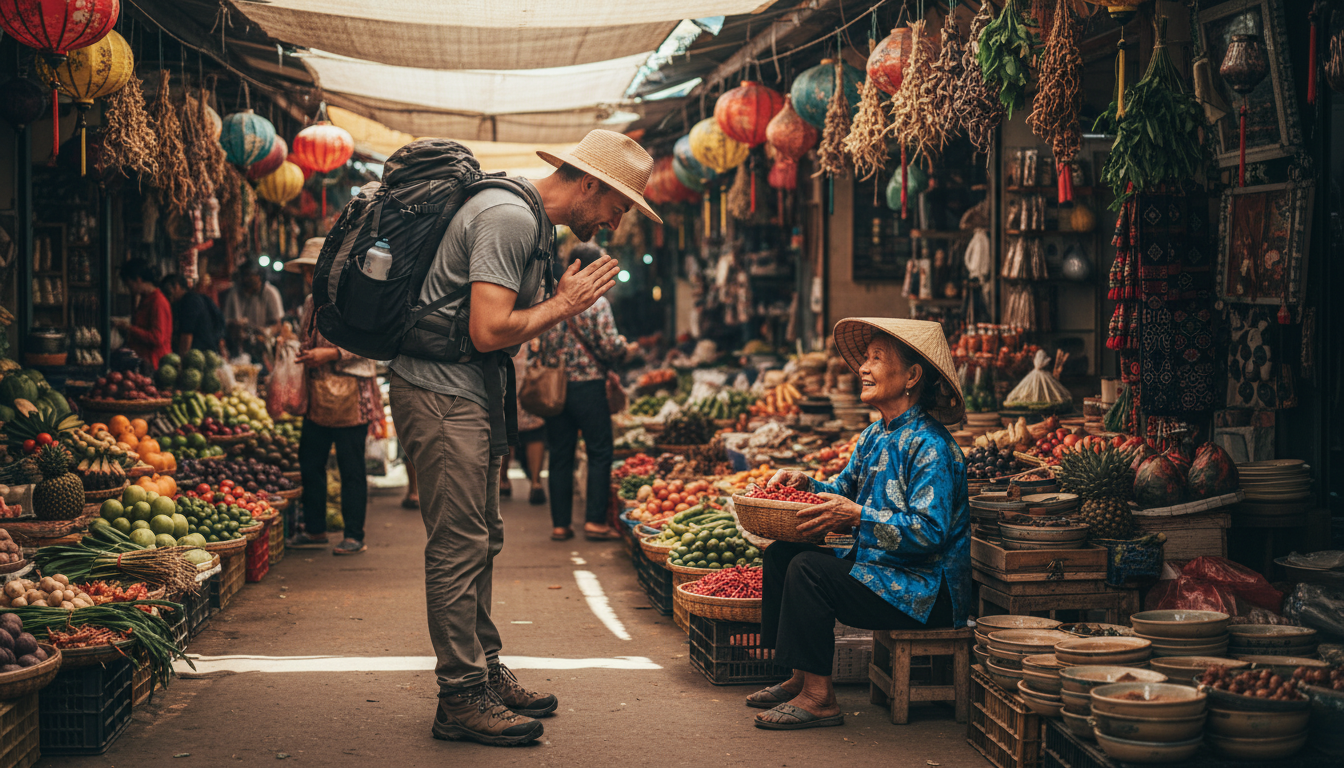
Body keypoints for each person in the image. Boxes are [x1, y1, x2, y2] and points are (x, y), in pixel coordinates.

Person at [387, 130, 659, 747]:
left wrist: (556, 303)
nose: (617, 224)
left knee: (483, 536)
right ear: (591, 183)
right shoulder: (510, 216)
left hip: (471, 392)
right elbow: (488, 330)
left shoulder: (533, 223)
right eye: (619, 206)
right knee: (459, 544)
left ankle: (481, 669)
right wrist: (565, 305)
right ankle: (460, 696)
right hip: (442, 392)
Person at [748, 318, 970, 731]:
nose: (863, 369)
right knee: (784, 554)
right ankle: (799, 677)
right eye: (864, 359)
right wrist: (806, 483)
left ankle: (820, 699)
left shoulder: (931, 446)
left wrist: (858, 517)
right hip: (881, 570)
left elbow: (930, 532)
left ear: (912, 376)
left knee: (809, 570)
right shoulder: (874, 435)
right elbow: (841, 487)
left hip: (923, 590)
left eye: (876, 359)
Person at [283, 239, 379, 555]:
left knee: (352, 467)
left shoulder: (353, 297)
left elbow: (369, 342)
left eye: (313, 270)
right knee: (310, 462)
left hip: (350, 392)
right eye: (306, 272)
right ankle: (315, 530)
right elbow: (305, 337)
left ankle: (354, 534)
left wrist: (329, 354)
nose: (309, 277)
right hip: (317, 394)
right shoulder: (311, 302)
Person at [540, 242, 638, 542]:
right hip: (589, 387)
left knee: (559, 456)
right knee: (598, 452)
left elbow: (540, 343)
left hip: (555, 389)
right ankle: (594, 522)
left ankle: (560, 525)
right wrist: (627, 349)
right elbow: (610, 346)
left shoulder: (551, 298)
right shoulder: (597, 302)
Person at [503, 343, 547, 505]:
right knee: (534, 430)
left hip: (505, 373)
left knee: (503, 430)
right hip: (531, 381)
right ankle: (535, 482)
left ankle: (503, 480)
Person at [113, 259, 172, 369]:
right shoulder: (146, 299)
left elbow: (157, 338)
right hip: (145, 362)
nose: (128, 288)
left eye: (129, 284)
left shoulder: (158, 302)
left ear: (138, 280)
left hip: (153, 364)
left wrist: (128, 328)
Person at [222, 262, 284, 354]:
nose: (249, 280)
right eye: (247, 277)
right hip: (239, 346)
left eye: (253, 277)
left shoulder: (270, 293)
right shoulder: (234, 294)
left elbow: (278, 324)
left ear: (260, 277)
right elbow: (227, 323)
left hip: (264, 346)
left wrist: (266, 332)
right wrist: (236, 325)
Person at [161, 274, 225, 356]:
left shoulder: (189, 302)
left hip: (198, 355)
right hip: (208, 353)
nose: (165, 296)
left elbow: (187, 335)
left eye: (166, 290)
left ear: (176, 286)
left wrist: (181, 362)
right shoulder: (200, 298)